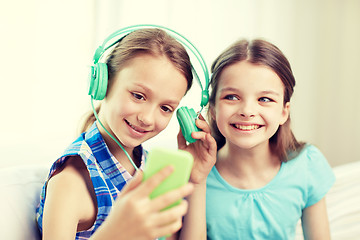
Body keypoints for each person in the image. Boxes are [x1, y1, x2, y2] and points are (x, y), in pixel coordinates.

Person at [36, 27, 216, 240]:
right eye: (138, 96)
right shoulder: (71, 181)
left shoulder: (150, 167)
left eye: (166, 108)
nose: (148, 118)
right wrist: (115, 232)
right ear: (103, 84)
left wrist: (197, 180)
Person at [205, 39, 335, 239]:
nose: (247, 111)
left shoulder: (308, 165)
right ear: (212, 109)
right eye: (231, 97)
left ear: (284, 111)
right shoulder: (195, 174)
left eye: (264, 99)